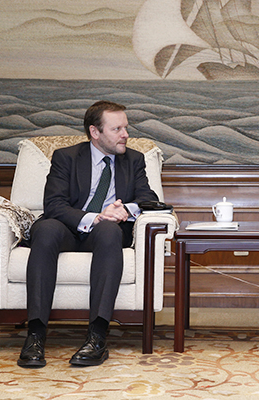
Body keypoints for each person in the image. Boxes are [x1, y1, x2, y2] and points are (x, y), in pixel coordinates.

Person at [17, 100, 159, 368]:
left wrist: (123, 210)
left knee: (109, 230)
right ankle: (35, 336)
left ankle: (97, 337)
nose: (125, 134)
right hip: (69, 228)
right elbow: (54, 205)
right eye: (117, 129)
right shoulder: (66, 157)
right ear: (95, 132)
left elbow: (148, 199)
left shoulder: (134, 160)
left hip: (105, 235)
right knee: (45, 229)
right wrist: (94, 217)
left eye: (125, 128)